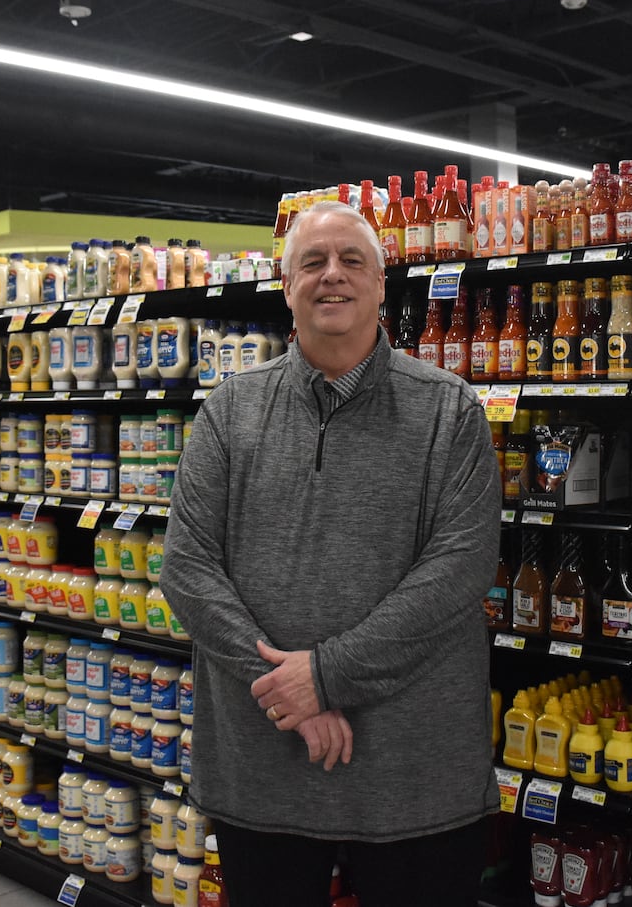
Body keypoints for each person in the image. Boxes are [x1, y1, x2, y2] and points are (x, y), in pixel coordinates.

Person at [160, 197, 501, 907]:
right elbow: (188, 568)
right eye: (311, 262)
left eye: (352, 260)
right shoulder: (229, 412)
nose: (332, 274)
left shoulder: (450, 410)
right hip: (264, 764)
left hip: (414, 774)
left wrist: (325, 675)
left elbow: (460, 569)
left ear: (381, 283)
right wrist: (290, 689)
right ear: (287, 288)